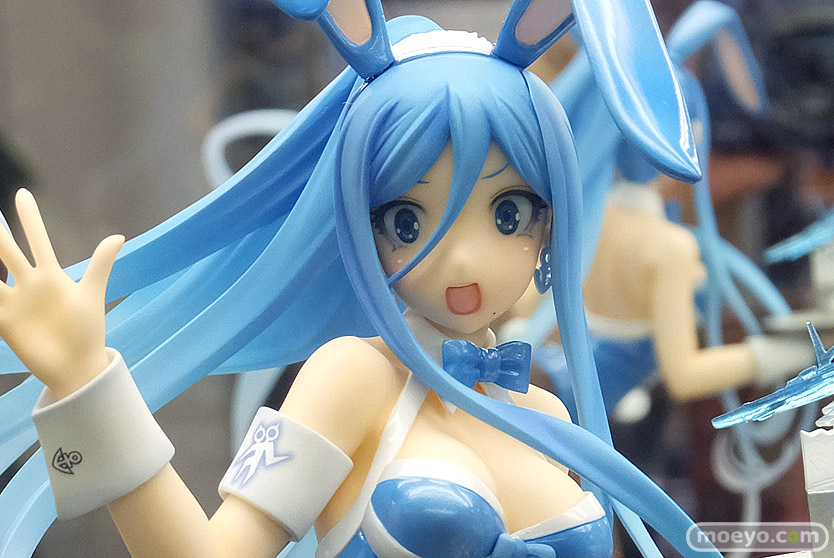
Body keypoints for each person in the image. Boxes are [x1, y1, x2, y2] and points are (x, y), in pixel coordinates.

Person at [0, 2, 719, 557]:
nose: (461, 261)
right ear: (361, 226)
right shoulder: (351, 377)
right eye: (408, 221)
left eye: (508, 213)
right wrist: (88, 382)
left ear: (548, 223)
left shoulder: (547, 414)